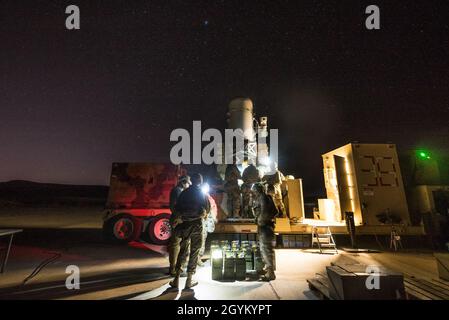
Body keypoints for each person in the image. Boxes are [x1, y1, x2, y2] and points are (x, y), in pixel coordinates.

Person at [170, 173, 211, 289]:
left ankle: (176, 279)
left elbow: (176, 208)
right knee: (195, 251)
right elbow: (207, 209)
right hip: (197, 225)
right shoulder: (202, 194)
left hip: (184, 224)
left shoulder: (184, 193)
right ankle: (189, 280)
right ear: (200, 182)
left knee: (183, 250)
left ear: (192, 181)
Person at [252, 182, 278, 281]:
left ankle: (270, 273)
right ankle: (268, 270)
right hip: (268, 226)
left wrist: (260, 220)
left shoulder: (262, 197)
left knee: (266, 250)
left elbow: (264, 211)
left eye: (255, 189)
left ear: (258, 189)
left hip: (264, 227)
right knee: (266, 249)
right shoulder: (268, 197)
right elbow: (276, 211)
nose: (254, 192)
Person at [168, 175, 191, 276]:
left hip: (178, 219)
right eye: (188, 183)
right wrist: (181, 218)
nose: (188, 186)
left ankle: (174, 267)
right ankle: (174, 268)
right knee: (176, 244)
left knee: (176, 244)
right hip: (179, 220)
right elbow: (175, 207)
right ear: (184, 182)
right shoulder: (178, 191)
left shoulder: (176, 190)